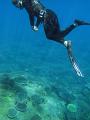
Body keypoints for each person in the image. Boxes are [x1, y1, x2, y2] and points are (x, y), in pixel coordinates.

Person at [12, 0, 90, 77]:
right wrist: (32, 25)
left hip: (46, 17)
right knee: (58, 34)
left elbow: (41, 12)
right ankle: (74, 26)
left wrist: (36, 25)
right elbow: (31, 15)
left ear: (19, 1)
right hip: (51, 14)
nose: (18, 7)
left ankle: (67, 41)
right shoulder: (26, 5)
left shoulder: (26, 2)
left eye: (16, 5)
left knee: (50, 36)